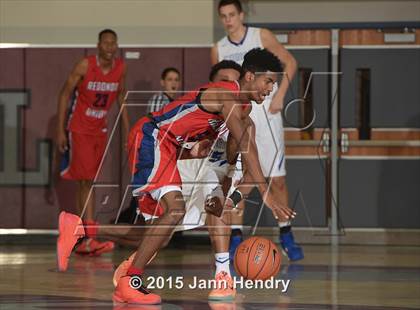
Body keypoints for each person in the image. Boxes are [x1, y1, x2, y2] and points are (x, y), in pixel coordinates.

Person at [57, 48, 296, 305]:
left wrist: (228, 188)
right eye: (268, 81)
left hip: (168, 148)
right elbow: (243, 146)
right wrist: (267, 195)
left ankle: (80, 228)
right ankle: (131, 280)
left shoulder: (244, 113)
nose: (271, 88)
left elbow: (238, 155)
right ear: (249, 76)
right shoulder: (227, 96)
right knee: (175, 211)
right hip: (154, 137)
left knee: (157, 229)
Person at [212, 0, 303, 261]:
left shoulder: (260, 35)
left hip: (267, 116)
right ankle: (236, 235)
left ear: (241, 15)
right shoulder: (218, 48)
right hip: (239, 116)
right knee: (240, 178)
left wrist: (280, 95)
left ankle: (286, 232)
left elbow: (290, 62)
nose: (228, 20)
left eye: (232, 14)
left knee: (277, 179)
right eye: (223, 16)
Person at [56, 29, 129, 265]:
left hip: (100, 130)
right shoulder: (85, 66)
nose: (110, 47)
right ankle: (87, 237)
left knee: (89, 181)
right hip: (79, 128)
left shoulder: (120, 68)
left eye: (113, 43)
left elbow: (121, 97)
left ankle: (85, 237)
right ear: (98, 45)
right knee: (85, 180)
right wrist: (60, 129)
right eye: (106, 43)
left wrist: (127, 129)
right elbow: (65, 94)